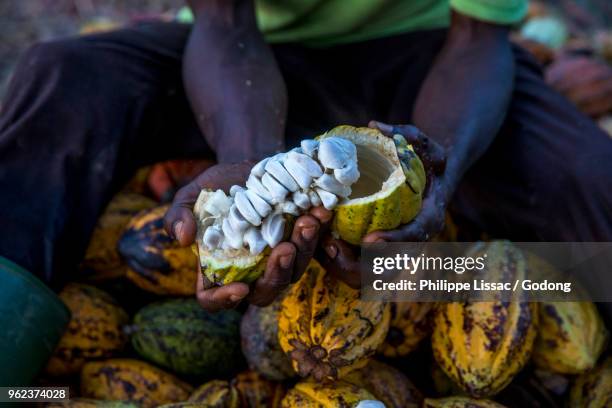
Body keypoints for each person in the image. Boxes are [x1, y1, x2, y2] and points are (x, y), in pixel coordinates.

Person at [0, 0, 611, 312]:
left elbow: (477, 39)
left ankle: (440, 281)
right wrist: (252, 165)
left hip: (426, 62)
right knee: (62, 79)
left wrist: (438, 167)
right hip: (250, 59)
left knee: (592, 185)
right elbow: (225, 21)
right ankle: (24, 382)